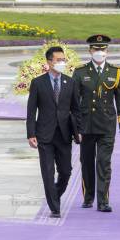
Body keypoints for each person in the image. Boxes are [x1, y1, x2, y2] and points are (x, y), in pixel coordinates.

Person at [27, 46, 81, 218]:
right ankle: (54, 207)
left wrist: (78, 130)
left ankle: (54, 195)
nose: (62, 63)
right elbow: (31, 111)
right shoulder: (38, 83)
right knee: (48, 172)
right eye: (58, 60)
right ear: (49, 62)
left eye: (63, 60)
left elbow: (76, 109)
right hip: (44, 135)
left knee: (66, 171)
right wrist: (31, 134)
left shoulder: (70, 82)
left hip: (64, 134)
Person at [72, 35, 120, 213]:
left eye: (102, 49)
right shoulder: (80, 72)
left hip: (106, 125)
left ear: (107, 51)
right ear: (90, 51)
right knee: (86, 162)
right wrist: (75, 127)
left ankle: (103, 200)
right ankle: (88, 197)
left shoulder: (115, 71)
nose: (99, 52)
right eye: (96, 49)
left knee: (103, 162)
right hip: (86, 125)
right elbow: (74, 102)